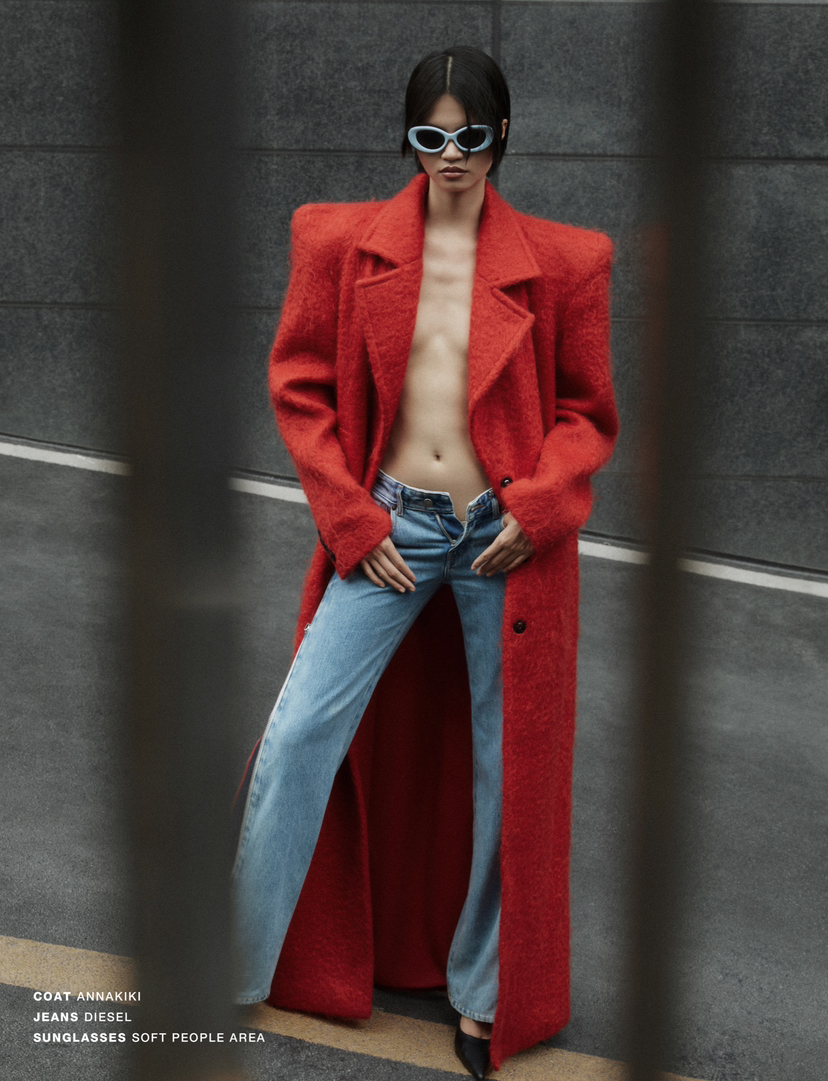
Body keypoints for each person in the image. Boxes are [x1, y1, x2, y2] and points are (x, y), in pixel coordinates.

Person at [231, 46, 619, 1079]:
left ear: (503, 138)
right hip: (389, 530)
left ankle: (485, 998)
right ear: (407, 139)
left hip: (502, 539)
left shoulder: (568, 262)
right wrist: (349, 519)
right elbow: (300, 387)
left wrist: (541, 506)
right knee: (299, 731)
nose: (451, 155)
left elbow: (587, 414)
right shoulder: (338, 242)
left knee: (509, 768)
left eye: (472, 136)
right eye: (430, 136)